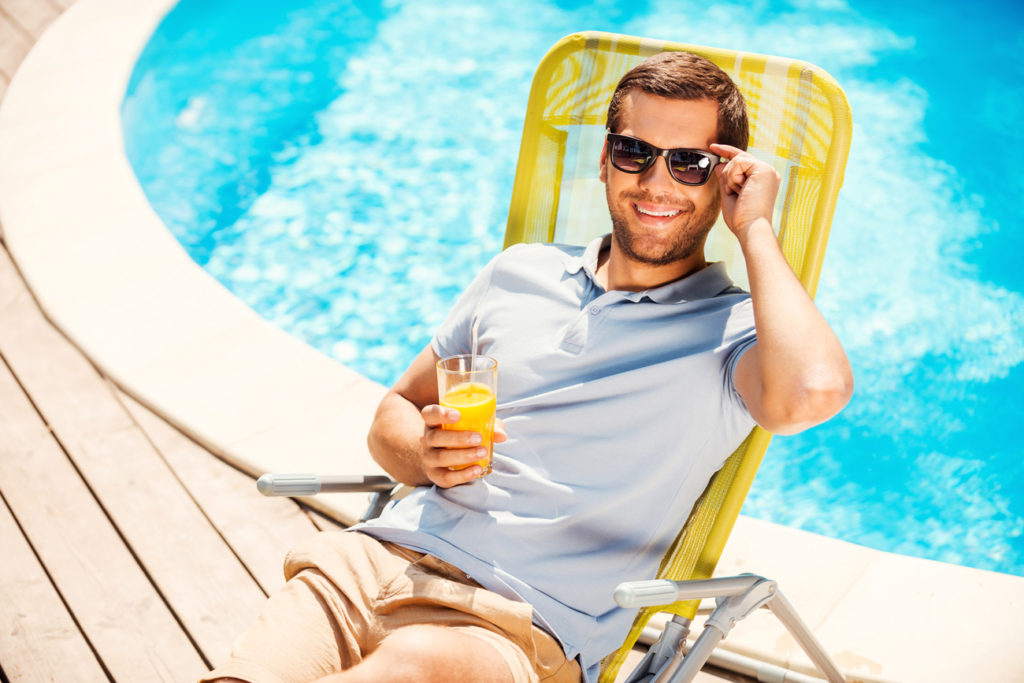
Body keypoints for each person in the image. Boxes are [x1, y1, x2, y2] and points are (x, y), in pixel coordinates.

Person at [203, 51, 852, 683]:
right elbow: (393, 412)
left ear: (722, 175)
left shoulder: (734, 331)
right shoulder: (518, 272)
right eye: (635, 152)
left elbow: (814, 391)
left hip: (518, 623)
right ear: (604, 160)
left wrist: (755, 227)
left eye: (689, 162)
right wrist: (422, 454)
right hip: (369, 564)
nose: (656, 183)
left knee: (416, 663)